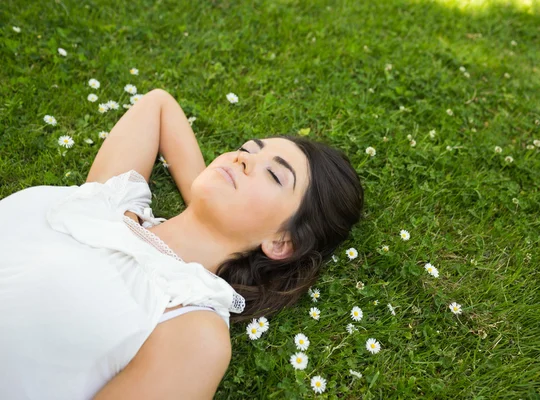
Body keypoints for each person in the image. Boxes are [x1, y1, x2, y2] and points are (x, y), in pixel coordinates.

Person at [0, 89, 364, 399]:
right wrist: (207, 198)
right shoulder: (112, 200)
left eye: (273, 174)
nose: (243, 159)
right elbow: (158, 104)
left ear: (282, 242)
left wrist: (219, 207)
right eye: (247, 150)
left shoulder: (191, 326)